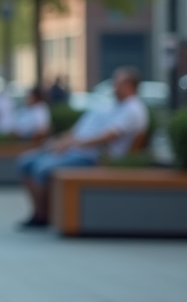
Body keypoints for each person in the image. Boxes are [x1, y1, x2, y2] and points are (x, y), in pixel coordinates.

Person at [16, 66, 149, 229]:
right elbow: (85, 130)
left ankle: (44, 216)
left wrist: (73, 144)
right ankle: (40, 214)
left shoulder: (132, 109)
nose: (113, 86)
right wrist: (63, 142)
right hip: (83, 151)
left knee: (41, 168)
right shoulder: (114, 106)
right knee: (26, 161)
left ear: (129, 85)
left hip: (99, 158)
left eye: (117, 82)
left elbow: (107, 136)